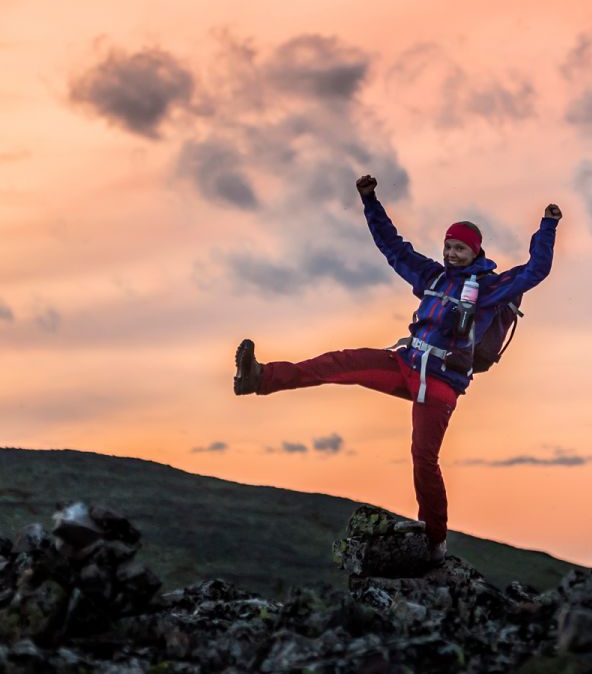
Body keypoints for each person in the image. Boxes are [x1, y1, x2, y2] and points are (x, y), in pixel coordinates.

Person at [233, 173, 561, 561]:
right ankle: (259, 378)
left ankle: (435, 541)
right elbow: (393, 247)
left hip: (440, 383)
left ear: (476, 251)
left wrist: (548, 226)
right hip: (406, 363)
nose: (452, 253)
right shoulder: (432, 275)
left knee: (424, 458)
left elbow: (534, 271)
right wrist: (370, 201)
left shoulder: (488, 289)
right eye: (449, 246)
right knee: (339, 363)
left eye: (460, 248)